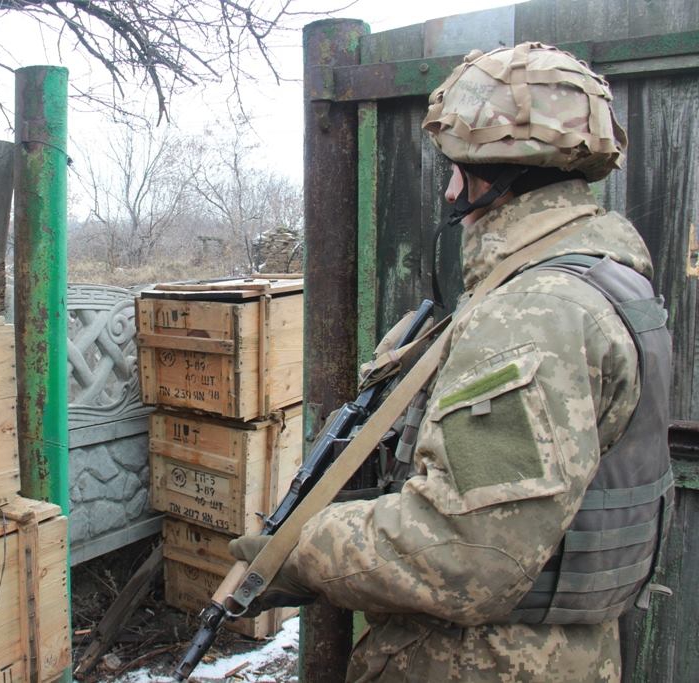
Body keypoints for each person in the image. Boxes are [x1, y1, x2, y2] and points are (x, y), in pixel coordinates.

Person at [229, 43, 673, 682]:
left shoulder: (532, 314)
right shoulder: (607, 280)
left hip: (484, 663)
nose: (448, 188)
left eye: (456, 167)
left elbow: (468, 554)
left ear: (491, 172)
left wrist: (297, 550)